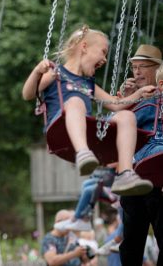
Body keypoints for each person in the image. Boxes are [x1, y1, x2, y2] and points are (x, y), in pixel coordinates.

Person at [22, 25, 155, 196]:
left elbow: (115, 103)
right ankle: (83, 153)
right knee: (75, 101)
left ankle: (125, 173)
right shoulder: (56, 73)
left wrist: (139, 93)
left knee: (127, 116)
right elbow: (28, 94)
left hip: (88, 132)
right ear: (84, 47)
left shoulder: (89, 84)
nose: (105, 59)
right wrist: (37, 72)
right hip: (60, 129)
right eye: (103, 52)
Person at [119, 44, 163, 265]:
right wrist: (127, 99)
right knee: (131, 241)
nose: (136, 72)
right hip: (136, 175)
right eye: (134, 67)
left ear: (157, 70)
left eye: (142, 66)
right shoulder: (130, 97)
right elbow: (113, 130)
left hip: (159, 172)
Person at [67, 167, 117, 232]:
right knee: (85, 183)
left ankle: (76, 217)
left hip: (111, 182)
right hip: (105, 176)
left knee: (88, 191)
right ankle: (84, 217)